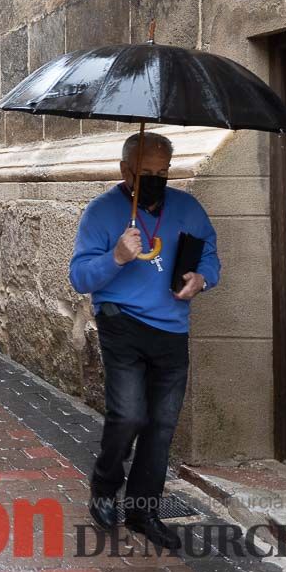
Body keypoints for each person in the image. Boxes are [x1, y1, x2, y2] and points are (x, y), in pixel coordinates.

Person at [70, 132, 219, 550]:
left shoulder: (188, 209)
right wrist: (116, 256)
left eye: (162, 172)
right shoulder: (101, 213)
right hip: (122, 322)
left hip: (172, 327)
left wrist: (201, 278)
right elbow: (80, 276)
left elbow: (209, 253)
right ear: (125, 171)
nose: (155, 180)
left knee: (161, 426)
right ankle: (104, 484)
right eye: (145, 173)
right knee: (130, 415)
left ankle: (142, 508)